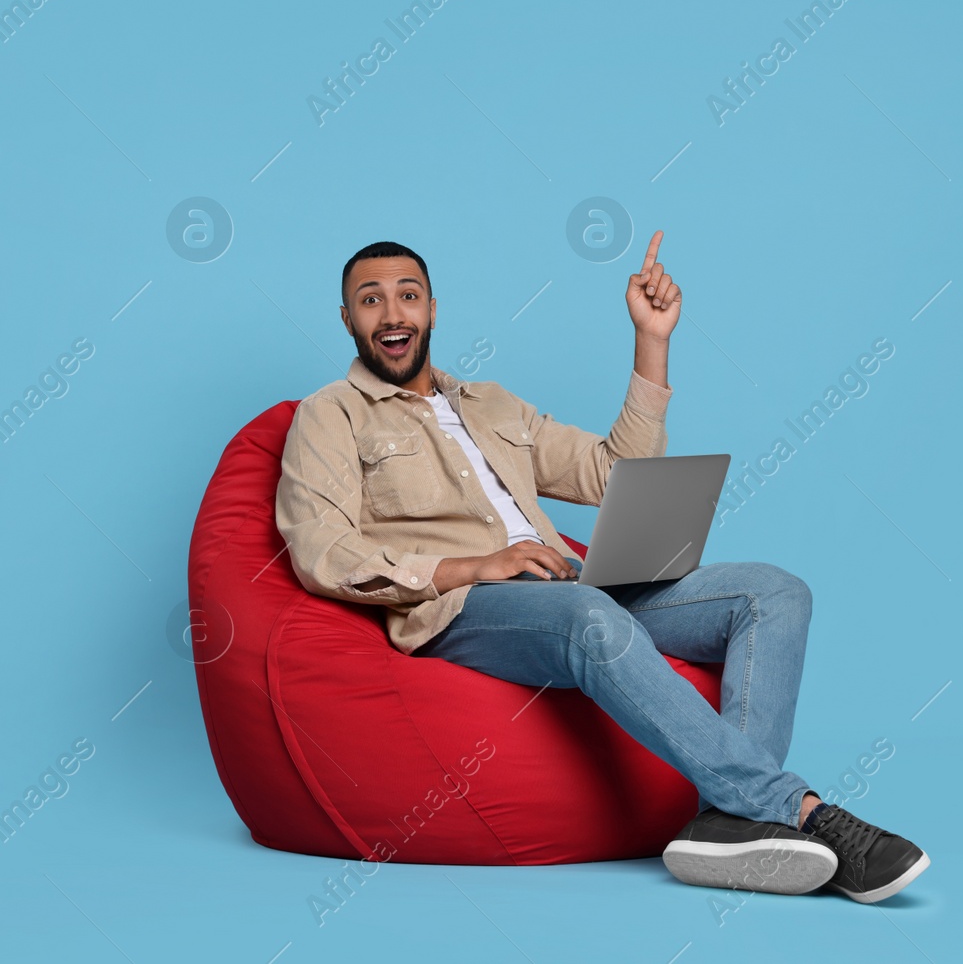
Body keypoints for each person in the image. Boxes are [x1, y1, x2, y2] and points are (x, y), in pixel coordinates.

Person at [274, 233, 928, 903]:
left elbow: (613, 472)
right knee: (589, 616)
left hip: (569, 587)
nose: (392, 315)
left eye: (407, 297)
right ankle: (796, 810)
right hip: (463, 607)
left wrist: (652, 341)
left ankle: (730, 824)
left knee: (773, 592)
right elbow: (322, 552)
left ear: (433, 310)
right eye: (370, 301)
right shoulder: (330, 416)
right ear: (347, 319)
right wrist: (478, 564)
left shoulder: (492, 403)